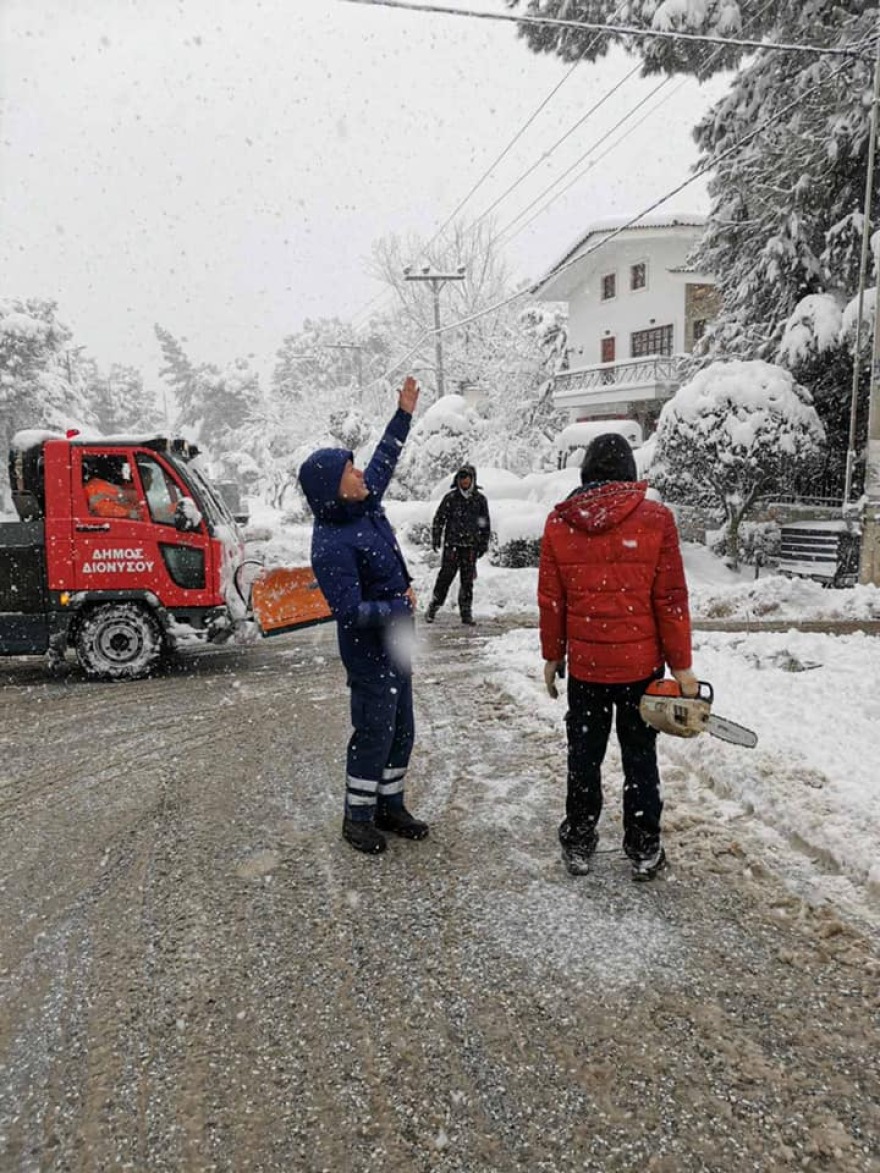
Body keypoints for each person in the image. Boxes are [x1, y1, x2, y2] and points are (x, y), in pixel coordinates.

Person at [537, 432, 698, 882]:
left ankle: (580, 838)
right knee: (640, 757)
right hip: (641, 670)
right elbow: (671, 599)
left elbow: (552, 600)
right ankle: (644, 846)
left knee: (584, 756)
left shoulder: (560, 522)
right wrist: (682, 666)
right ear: (629, 470)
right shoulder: (657, 519)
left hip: (587, 669)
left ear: (586, 472)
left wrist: (553, 656)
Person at [298, 376, 428, 856]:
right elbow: (349, 612)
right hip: (369, 650)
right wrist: (398, 604)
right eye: (349, 470)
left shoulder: (363, 505)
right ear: (333, 488)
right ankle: (357, 816)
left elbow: (384, 460)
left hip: (397, 640)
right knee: (375, 730)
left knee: (403, 728)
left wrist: (404, 414)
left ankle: (390, 804)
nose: (360, 474)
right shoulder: (330, 543)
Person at [424, 463, 491, 626]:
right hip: (452, 545)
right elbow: (439, 519)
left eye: (467, 477)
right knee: (445, 577)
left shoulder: (480, 500)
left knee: (467, 581)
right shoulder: (451, 498)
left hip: (470, 546)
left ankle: (466, 613)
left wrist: (483, 543)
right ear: (457, 480)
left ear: (473, 479)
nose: (464, 481)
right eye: (461, 477)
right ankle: (433, 607)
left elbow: (484, 523)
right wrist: (436, 537)